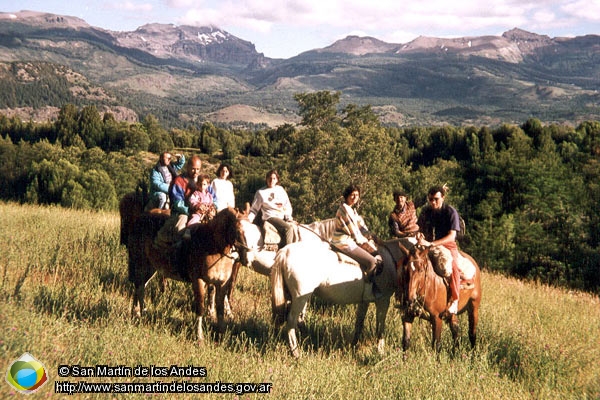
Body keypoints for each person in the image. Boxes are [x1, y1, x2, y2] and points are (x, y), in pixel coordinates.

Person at [416, 185, 462, 314]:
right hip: (427, 243)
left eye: (436, 199)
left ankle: (455, 299)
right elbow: (420, 229)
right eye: (430, 199)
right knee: (411, 262)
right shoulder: (426, 211)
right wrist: (419, 235)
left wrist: (432, 244)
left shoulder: (450, 212)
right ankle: (410, 298)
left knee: (453, 266)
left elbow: (452, 236)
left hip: (447, 244)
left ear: (443, 198)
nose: (433, 202)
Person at [331, 184, 381, 280]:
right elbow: (355, 233)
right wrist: (366, 242)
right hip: (343, 242)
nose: (355, 197)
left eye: (357, 195)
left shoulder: (352, 210)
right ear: (347, 196)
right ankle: (368, 289)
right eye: (352, 195)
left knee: (376, 253)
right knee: (372, 262)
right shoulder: (345, 210)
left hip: (347, 240)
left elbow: (361, 228)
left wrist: (371, 237)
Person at [155, 155, 203, 248]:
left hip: (200, 212)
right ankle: (176, 254)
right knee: (181, 230)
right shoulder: (179, 181)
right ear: (187, 167)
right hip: (182, 212)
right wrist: (191, 210)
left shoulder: (202, 181)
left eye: (198, 169)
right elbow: (177, 202)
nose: (195, 172)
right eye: (193, 169)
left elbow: (209, 195)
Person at [248, 169, 295, 248]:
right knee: (288, 229)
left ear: (277, 180)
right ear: (266, 179)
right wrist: (249, 220)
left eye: (274, 178)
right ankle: (287, 251)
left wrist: (288, 217)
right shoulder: (261, 192)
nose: (271, 180)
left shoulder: (281, 189)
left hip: (281, 217)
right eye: (269, 178)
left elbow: (287, 205)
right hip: (270, 217)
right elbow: (254, 209)